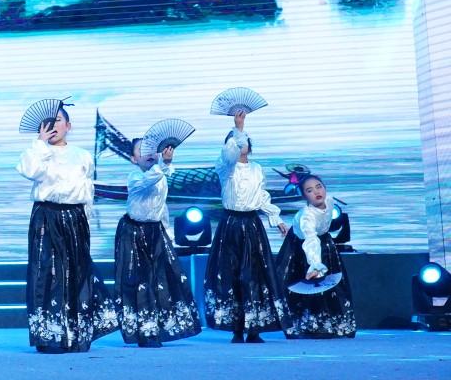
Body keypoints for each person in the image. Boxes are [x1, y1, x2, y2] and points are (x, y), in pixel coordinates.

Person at [16, 103, 117, 353]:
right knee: (45, 274)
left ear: (68, 126)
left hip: (75, 216)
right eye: (49, 122)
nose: (54, 125)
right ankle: (48, 336)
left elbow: (87, 189)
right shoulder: (36, 151)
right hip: (45, 215)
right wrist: (40, 144)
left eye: (59, 120)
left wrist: (87, 220)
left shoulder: (82, 154)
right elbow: (30, 171)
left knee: (77, 273)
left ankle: (75, 333)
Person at [204, 112, 288, 341]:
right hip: (230, 224)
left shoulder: (257, 168)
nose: (242, 143)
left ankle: (254, 328)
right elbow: (229, 154)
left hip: (251, 224)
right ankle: (236, 328)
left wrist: (276, 219)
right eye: (235, 140)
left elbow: (262, 196)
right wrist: (238, 127)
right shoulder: (225, 167)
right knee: (231, 274)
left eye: (245, 139)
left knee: (253, 275)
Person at [113, 136, 202, 347]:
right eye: (142, 151)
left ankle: (159, 327)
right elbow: (148, 182)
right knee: (139, 281)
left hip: (156, 231)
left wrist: (167, 232)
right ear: (133, 159)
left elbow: (161, 207)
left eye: (151, 149)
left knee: (162, 279)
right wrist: (164, 164)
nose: (148, 154)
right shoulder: (135, 177)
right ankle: (145, 331)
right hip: (133, 232)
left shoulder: (161, 177)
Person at [276, 175, 356, 338]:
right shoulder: (307, 216)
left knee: (333, 283)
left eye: (319, 187)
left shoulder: (330, 202)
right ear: (304, 197)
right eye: (310, 190)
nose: (316, 192)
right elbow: (310, 240)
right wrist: (315, 264)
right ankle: (311, 326)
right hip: (301, 247)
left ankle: (337, 324)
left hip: (325, 242)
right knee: (309, 286)